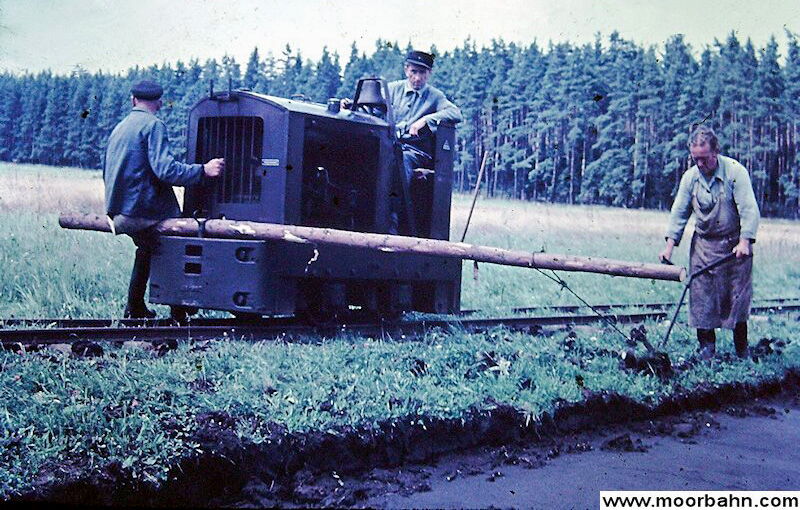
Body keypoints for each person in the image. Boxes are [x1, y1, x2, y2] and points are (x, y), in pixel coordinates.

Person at [104, 79, 224, 318]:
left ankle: (135, 307)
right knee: (181, 242)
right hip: (143, 210)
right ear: (159, 102)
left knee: (147, 247)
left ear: (133, 100)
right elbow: (166, 170)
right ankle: (179, 313)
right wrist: (203, 170)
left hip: (119, 211)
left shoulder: (122, 126)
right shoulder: (154, 126)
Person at [659, 125, 760, 359]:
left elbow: (749, 210)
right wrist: (669, 246)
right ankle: (707, 349)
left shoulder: (735, 172)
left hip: (735, 249)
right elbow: (679, 213)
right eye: (696, 160)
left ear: (716, 152)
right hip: (704, 247)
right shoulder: (690, 178)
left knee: (737, 299)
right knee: (702, 298)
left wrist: (745, 241)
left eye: (704, 159)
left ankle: (741, 349)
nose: (700, 165)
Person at [387, 50, 463, 184]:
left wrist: (425, 120)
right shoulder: (392, 89)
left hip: (414, 151)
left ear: (429, 73)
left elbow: (455, 113)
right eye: (413, 71)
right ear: (406, 70)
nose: (417, 78)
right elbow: (371, 105)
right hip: (388, 145)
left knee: (400, 162)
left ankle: (397, 204)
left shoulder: (435, 96)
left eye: (422, 73)